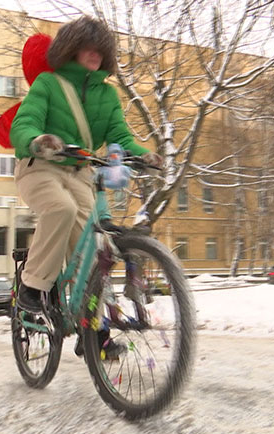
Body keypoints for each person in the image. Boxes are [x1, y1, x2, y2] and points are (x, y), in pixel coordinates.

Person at [9, 16, 161, 314]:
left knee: (88, 248)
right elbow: (24, 122)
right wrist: (38, 139)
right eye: (87, 46)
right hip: (40, 166)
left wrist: (142, 155)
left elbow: (119, 136)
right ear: (71, 49)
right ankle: (33, 285)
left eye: (100, 48)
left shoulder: (107, 94)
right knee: (60, 209)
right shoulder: (49, 83)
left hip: (80, 172)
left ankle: (94, 328)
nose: (95, 53)